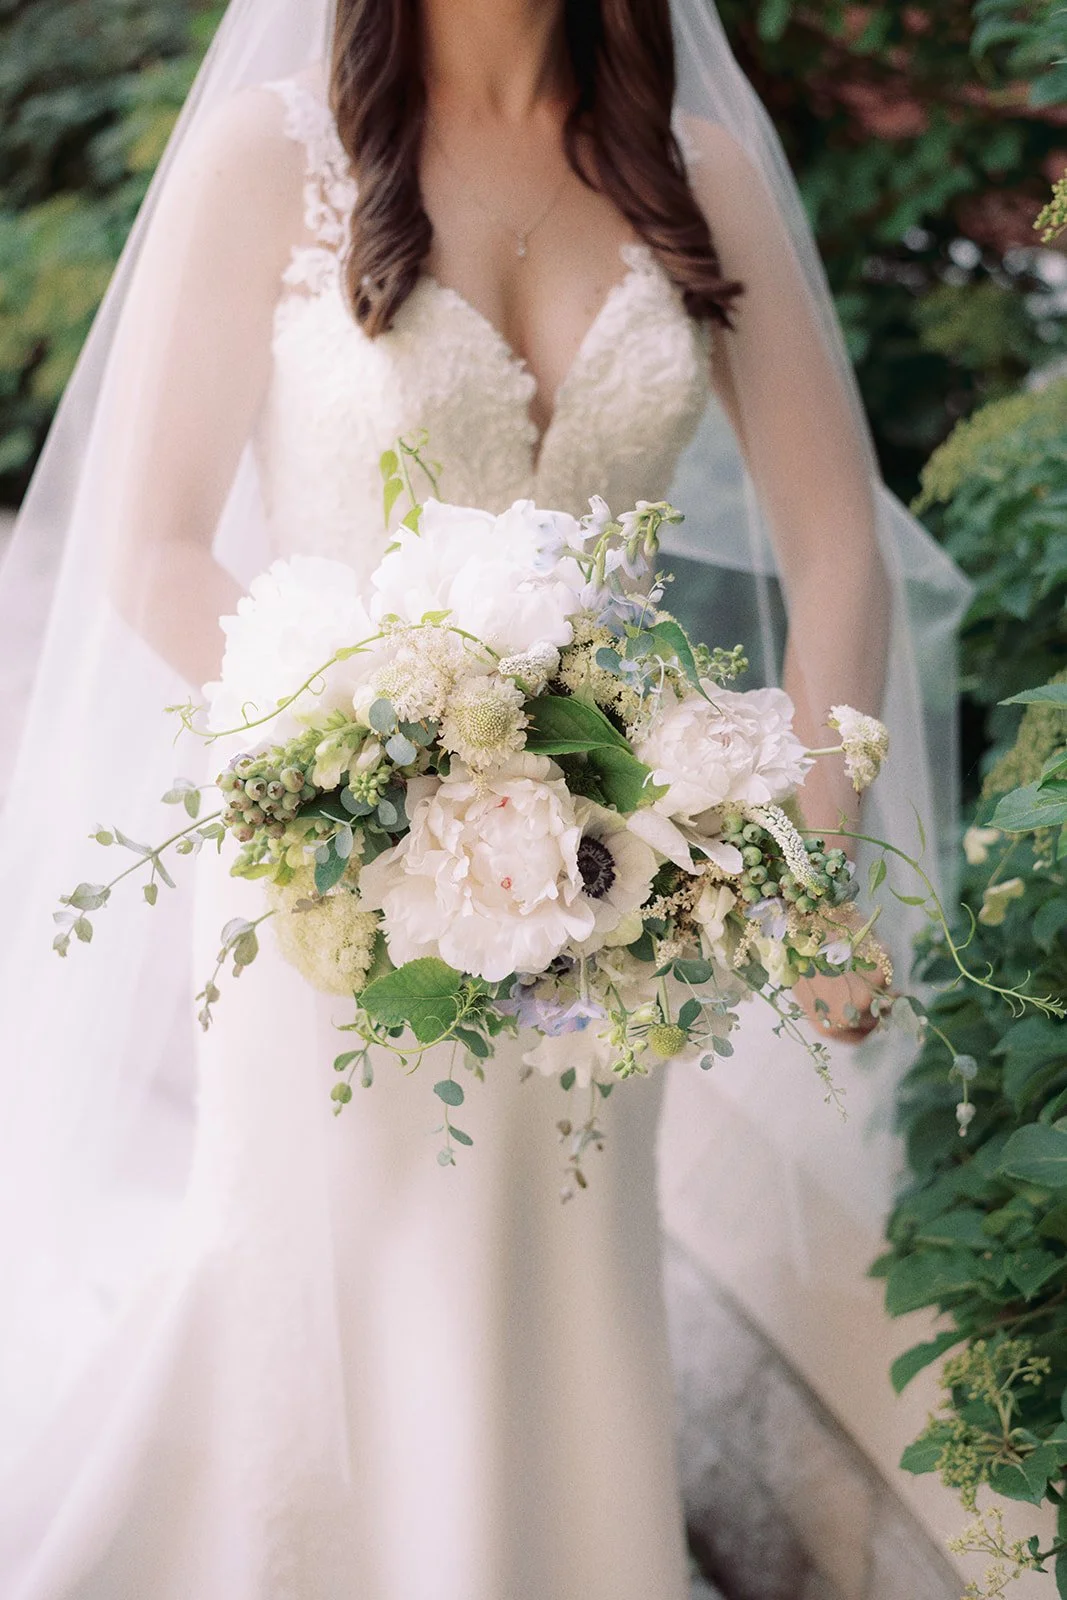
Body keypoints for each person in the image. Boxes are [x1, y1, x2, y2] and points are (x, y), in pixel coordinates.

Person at [0, 1, 970, 1596]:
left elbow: (838, 548)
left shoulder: (693, 173)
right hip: (334, 866)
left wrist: (809, 870)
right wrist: (363, 763)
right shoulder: (272, 161)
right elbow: (155, 542)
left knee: (552, 1283)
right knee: (325, 1289)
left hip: (610, 878)